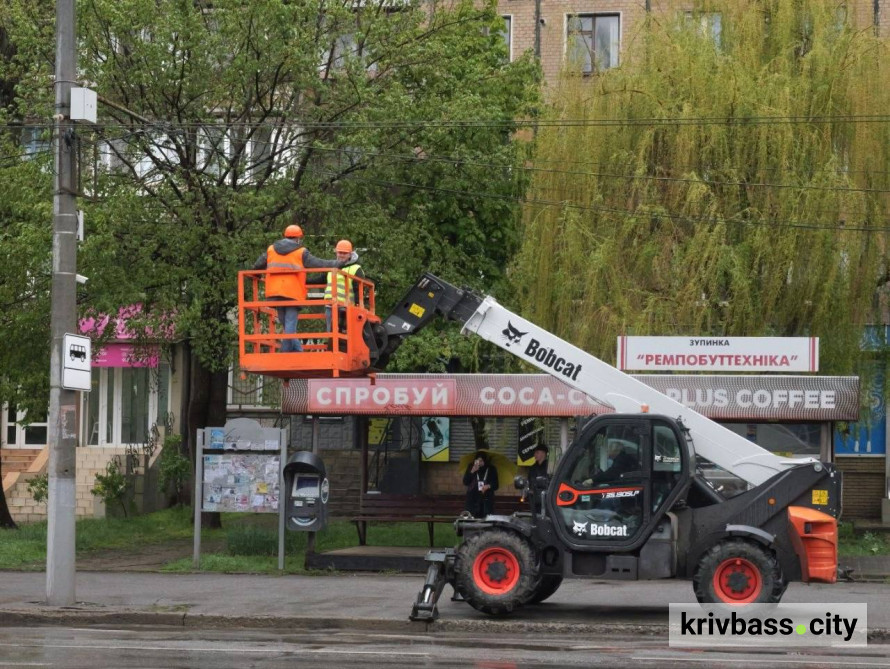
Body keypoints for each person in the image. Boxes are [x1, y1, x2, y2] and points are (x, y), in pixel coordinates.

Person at [253, 223, 345, 352]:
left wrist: (256, 274)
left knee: (286, 325)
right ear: (298, 239)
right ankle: (284, 353)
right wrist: (337, 264)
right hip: (292, 293)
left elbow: (257, 265)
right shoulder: (301, 252)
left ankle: (299, 352)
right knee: (290, 324)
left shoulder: (271, 249)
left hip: (275, 292)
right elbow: (318, 264)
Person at [324, 239, 365, 343]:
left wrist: (358, 306)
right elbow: (319, 279)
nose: (341, 255)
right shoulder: (333, 266)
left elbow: (358, 289)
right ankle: (332, 348)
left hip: (347, 307)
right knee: (331, 333)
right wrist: (303, 280)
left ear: (350, 254)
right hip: (330, 306)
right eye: (339, 252)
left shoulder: (356, 268)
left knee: (346, 334)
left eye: (344, 253)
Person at [463, 451, 499, 518]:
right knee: (472, 522)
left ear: (485, 461)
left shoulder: (491, 469)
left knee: (485, 522)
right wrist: (472, 471)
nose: (479, 463)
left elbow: (496, 484)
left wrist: (488, 486)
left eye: (481, 461)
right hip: (473, 500)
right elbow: (465, 482)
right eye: (478, 461)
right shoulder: (471, 467)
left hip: (486, 501)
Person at [524, 444, 549, 513]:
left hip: (545, 498)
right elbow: (530, 481)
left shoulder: (549, 467)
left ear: (543, 454)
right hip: (534, 499)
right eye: (535, 453)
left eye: (537, 452)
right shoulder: (532, 467)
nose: (535, 454)